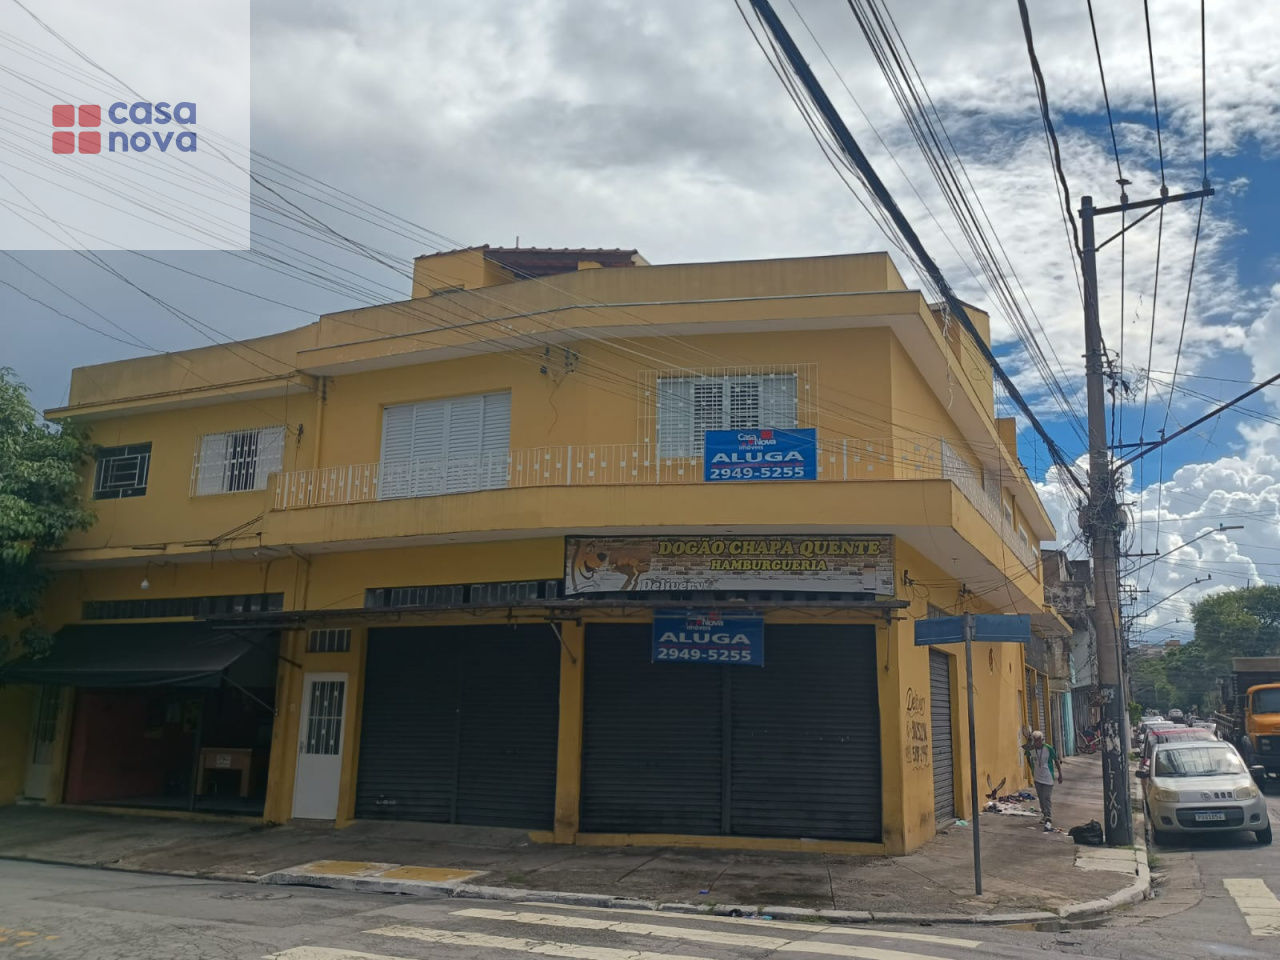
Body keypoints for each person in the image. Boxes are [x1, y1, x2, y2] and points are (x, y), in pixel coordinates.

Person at [1024, 730, 1063, 832]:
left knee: (1046, 797)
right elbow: (1027, 757)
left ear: (1042, 740)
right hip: (1037, 778)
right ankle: (1044, 815)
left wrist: (1060, 774)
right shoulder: (1032, 749)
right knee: (1041, 799)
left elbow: (1056, 760)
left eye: (1038, 740)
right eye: (1035, 740)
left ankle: (1048, 817)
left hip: (1048, 777)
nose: (1037, 742)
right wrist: (1032, 768)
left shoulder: (1048, 748)